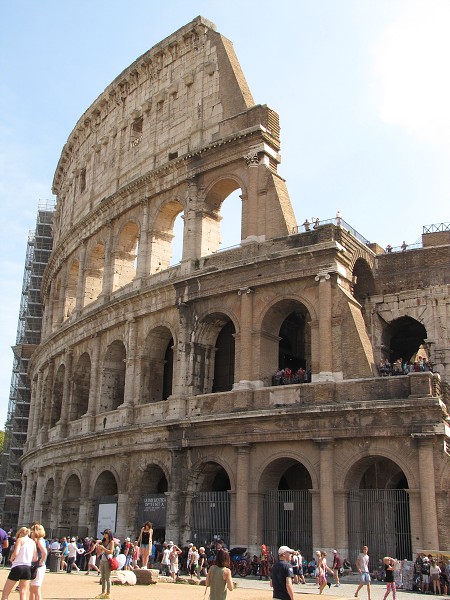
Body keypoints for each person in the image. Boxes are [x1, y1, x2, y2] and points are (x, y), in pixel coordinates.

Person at [1, 526, 37, 600]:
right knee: (23, 592)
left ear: (20, 533)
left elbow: (16, 552)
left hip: (18, 566)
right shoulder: (33, 542)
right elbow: (35, 558)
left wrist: (11, 559)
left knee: (5, 593)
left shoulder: (20, 540)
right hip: (27, 568)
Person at [29, 523, 47, 600]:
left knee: (36, 589)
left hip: (38, 567)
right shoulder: (40, 540)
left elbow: (44, 552)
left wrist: (41, 561)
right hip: (36, 566)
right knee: (32, 589)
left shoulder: (39, 540)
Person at [95, 529, 114, 599]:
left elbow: (111, 551)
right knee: (102, 577)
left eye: (105, 534)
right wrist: (99, 548)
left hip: (108, 560)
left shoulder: (111, 542)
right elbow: (100, 551)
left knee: (107, 577)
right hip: (102, 559)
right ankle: (103, 592)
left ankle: (108, 593)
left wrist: (103, 548)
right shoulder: (103, 541)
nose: (104, 535)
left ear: (108, 534)